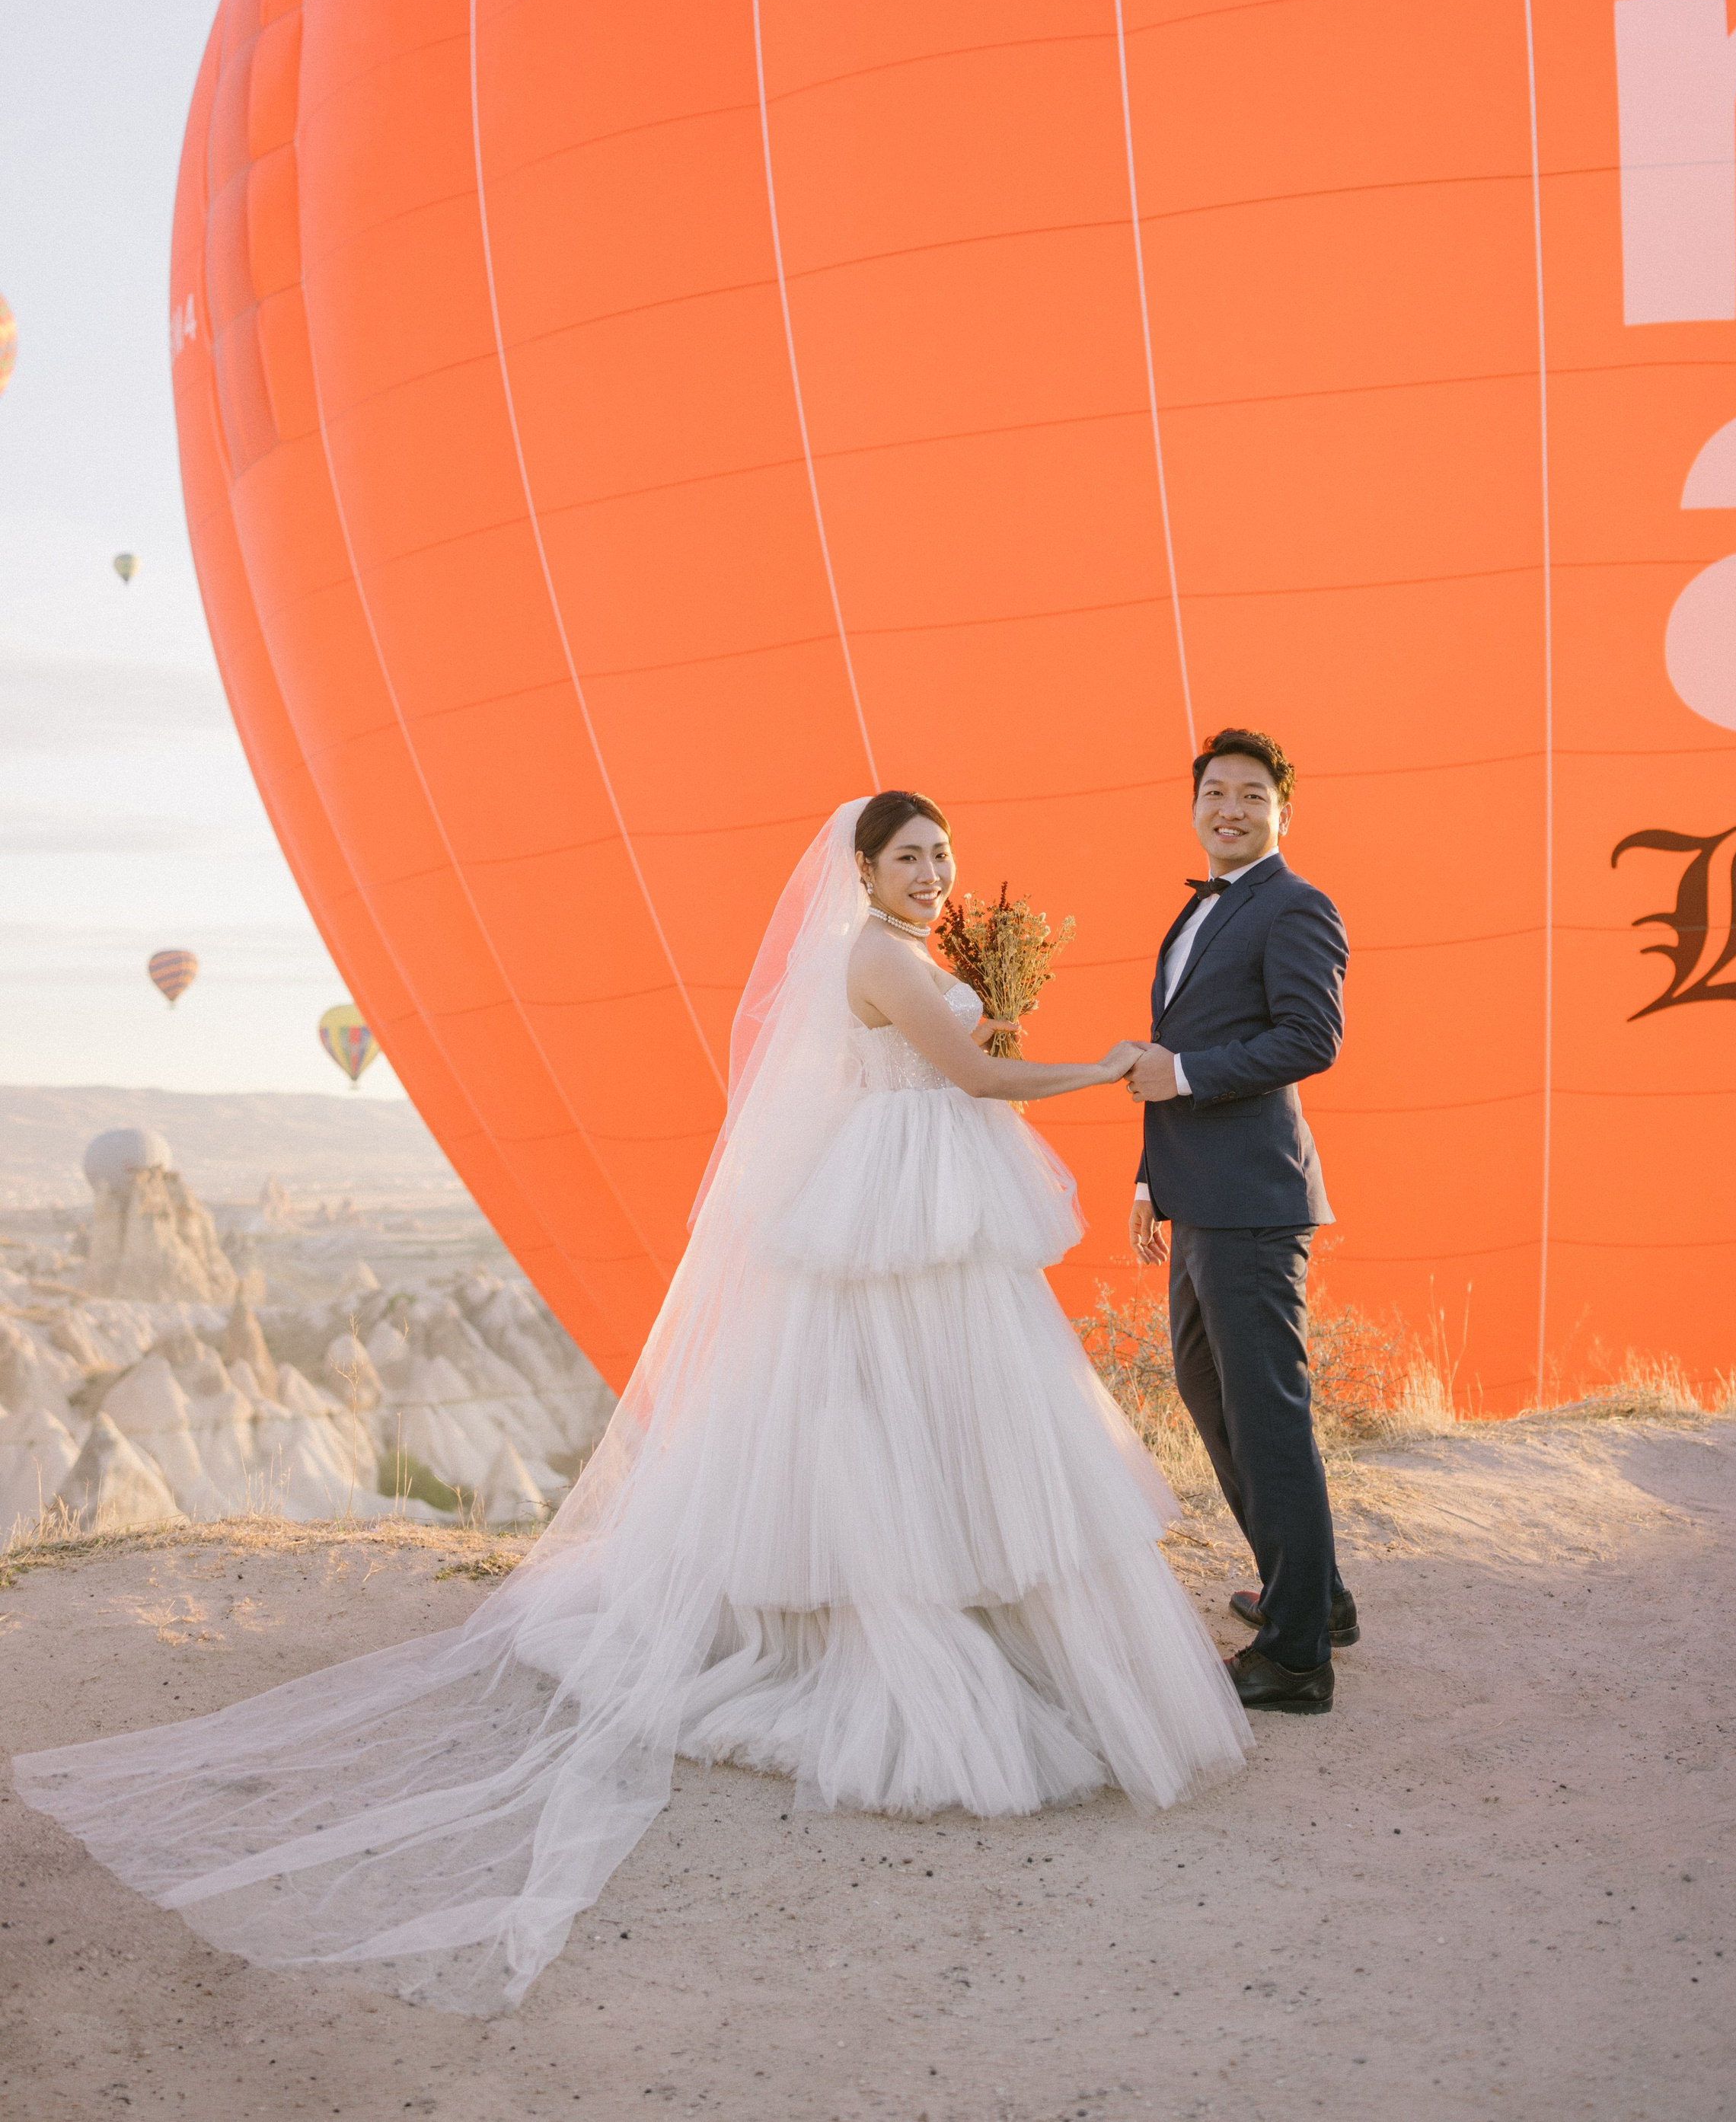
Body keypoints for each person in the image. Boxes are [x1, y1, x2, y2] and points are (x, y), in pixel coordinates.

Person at [14, 792, 1249, 2014]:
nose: (932, 872)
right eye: (909, 856)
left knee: (926, 1415)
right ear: (862, 870)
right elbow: (972, 1073)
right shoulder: (879, 954)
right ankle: (929, 1631)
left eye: (942, 854)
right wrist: (1106, 1066)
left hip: (912, 1201)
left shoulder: (894, 950)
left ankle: (957, 1612)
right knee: (919, 1412)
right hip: (905, 1200)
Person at [1123, 728, 1357, 1712]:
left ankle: (1299, 1656)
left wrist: (1181, 1076)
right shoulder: (1200, 909)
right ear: (1194, 806)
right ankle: (1315, 1591)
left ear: (1281, 812)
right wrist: (1148, 1177)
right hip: (1197, 1193)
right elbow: (1178, 1044)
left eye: (1251, 794)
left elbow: (1312, 1036)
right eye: (1214, 791)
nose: (1229, 807)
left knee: (1268, 1413)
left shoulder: (1296, 905)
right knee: (1207, 1384)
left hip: (1256, 1201)